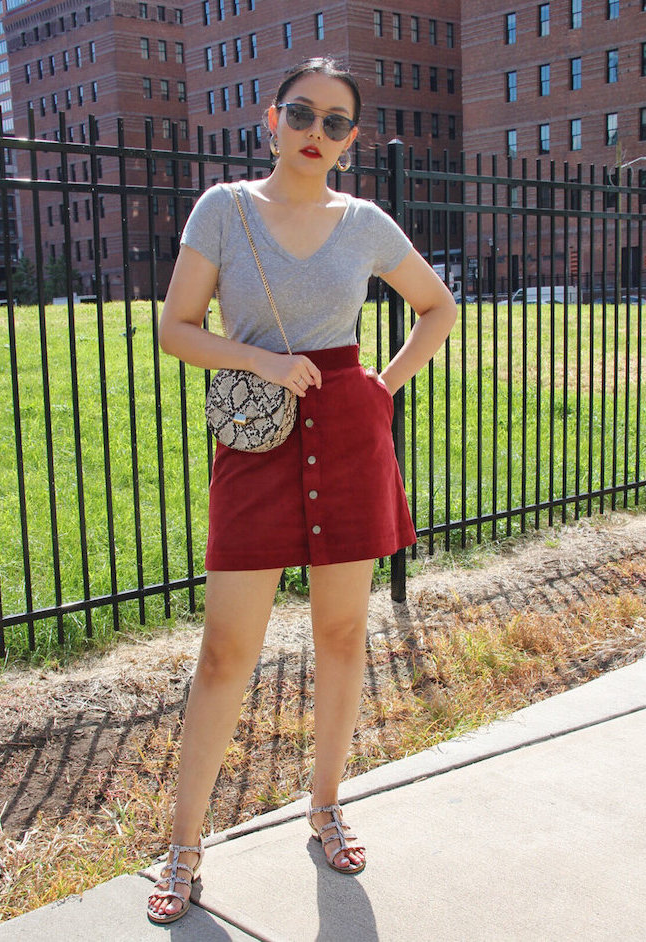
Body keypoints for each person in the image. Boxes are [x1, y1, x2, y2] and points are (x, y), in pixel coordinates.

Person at [147, 56, 457, 925]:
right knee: (224, 655)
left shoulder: (363, 221)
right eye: (301, 114)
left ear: (352, 141)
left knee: (343, 635)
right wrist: (259, 359)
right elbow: (174, 327)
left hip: (347, 431)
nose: (314, 133)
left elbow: (438, 306)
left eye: (333, 122)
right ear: (271, 120)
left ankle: (325, 804)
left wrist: (381, 388)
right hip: (257, 435)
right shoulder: (225, 209)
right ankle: (183, 848)